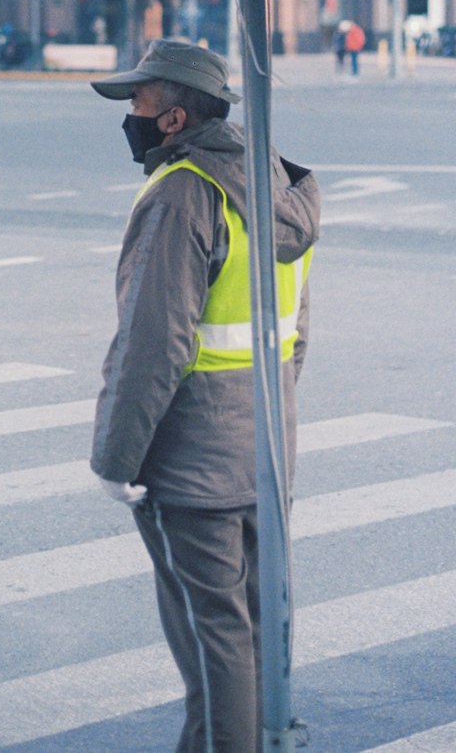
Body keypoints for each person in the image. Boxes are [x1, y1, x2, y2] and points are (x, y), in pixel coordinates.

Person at [89, 38, 320, 753]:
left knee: (213, 642)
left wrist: (116, 459)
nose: (129, 111)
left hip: (192, 468)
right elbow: (296, 335)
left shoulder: (184, 192)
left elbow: (153, 344)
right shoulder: (277, 187)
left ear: (173, 118)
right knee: (249, 630)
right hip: (264, 452)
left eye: (140, 99)